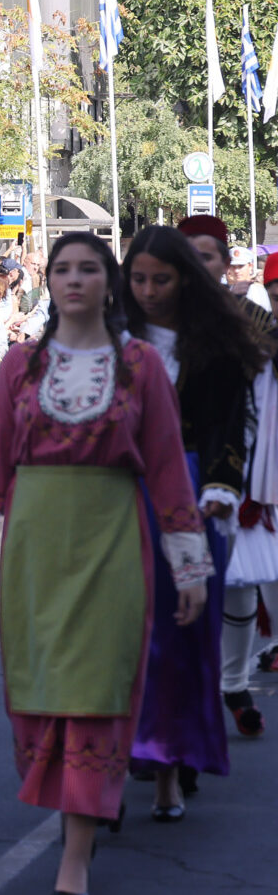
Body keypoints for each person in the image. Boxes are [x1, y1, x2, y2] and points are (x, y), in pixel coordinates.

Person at [0, 231, 212, 895]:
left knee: (97, 691)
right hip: (35, 546)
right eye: (63, 269)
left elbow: (168, 466)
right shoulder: (20, 365)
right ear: (48, 282)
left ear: (109, 283)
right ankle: (75, 810)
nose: (75, 279)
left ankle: (76, 852)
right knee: (43, 691)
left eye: (89, 268)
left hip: (112, 541)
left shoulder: (139, 365)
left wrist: (189, 565)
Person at [124, 223, 263, 820]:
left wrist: (221, 488)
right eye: (138, 279)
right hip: (120, 499)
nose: (149, 291)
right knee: (124, 636)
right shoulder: (113, 335)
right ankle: (116, 755)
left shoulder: (216, 341)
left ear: (184, 279)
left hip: (193, 496)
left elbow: (229, 424)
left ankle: (171, 768)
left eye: (162, 279)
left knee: (182, 634)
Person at [176, 217, 278, 737]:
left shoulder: (249, 318)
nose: (199, 265)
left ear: (224, 262)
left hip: (236, 465)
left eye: (208, 255)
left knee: (239, 585)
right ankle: (178, 699)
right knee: (173, 591)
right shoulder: (150, 317)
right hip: (169, 465)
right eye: (188, 254)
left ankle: (233, 686)